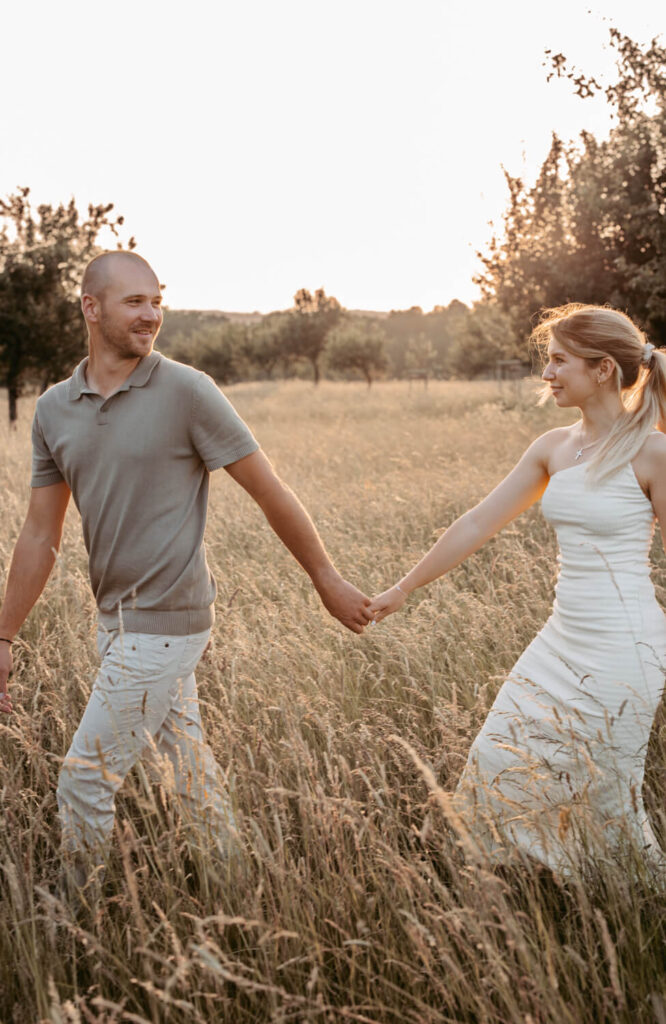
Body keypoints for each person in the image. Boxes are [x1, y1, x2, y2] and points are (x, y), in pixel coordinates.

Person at [0, 250, 372, 887]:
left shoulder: (187, 391)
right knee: (189, 775)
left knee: (84, 781)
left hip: (168, 622)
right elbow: (40, 533)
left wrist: (327, 581)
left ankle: (70, 929)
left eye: (157, 301)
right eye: (135, 302)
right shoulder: (55, 409)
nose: (152, 315)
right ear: (91, 308)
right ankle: (242, 895)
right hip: (115, 622)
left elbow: (270, 490)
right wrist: (4, 635)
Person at [369, 304, 666, 874]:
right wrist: (404, 588)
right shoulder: (552, 447)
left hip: (625, 652)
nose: (547, 374)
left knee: (605, 797)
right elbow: (478, 523)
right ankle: (519, 890)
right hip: (559, 642)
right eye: (546, 361)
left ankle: (627, 913)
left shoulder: (652, 452)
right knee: (495, 764)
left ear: (603, 369)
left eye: (559, 361)